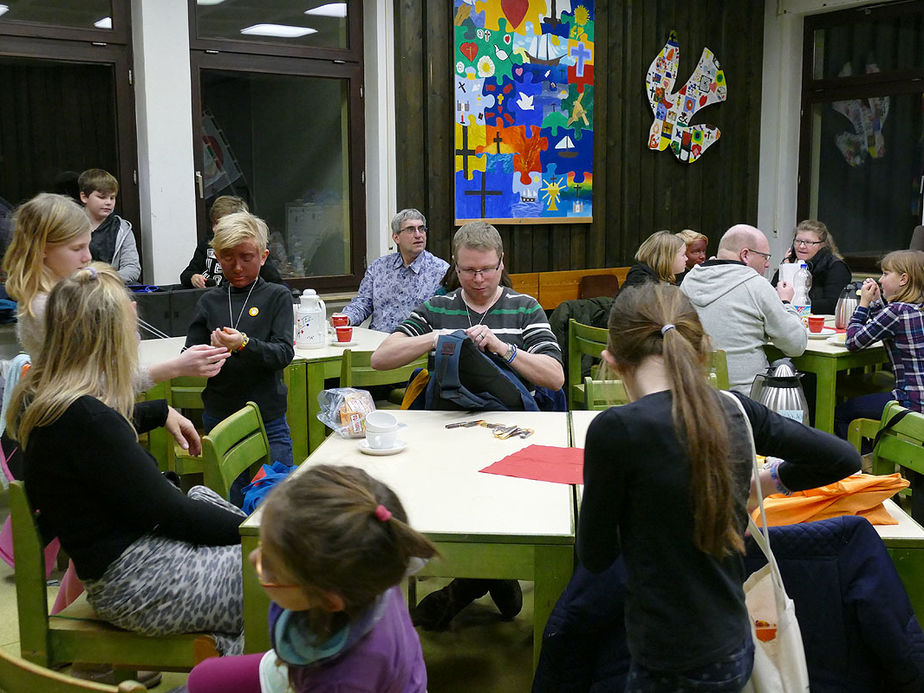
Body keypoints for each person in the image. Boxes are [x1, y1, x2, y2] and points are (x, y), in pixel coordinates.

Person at [578, 284, 860, 691]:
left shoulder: (615, 430)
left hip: (667, 654)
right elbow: (843, 458)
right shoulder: (734, 409)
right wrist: (768, 480)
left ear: (612, 360)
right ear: (700, 349)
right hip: (733, 641)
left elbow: (595, 555)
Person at [7, 265, 247, 654]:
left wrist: (158, 412)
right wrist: (259, 531)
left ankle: (228, 652)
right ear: (107, 342)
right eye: (130, 331)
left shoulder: (55, 402)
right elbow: (173, 514)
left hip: (125, 570)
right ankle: (237, 667)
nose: (136, 338)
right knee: (281, 574)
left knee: (218, 512)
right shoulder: (87, 420)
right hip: (138, 581)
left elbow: (100, 442)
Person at [371, 221, 563, 629]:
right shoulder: (438, 307)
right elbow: (381, 358)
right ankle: (491, 577)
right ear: (454, 266)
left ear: (501, 263)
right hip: (446, 438)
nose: (478, 279)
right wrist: (437, 336)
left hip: (513, 436)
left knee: (505, 504)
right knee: (449, 504)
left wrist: (502, 347)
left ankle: (466, 587)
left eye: (488, 270)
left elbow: (554, 376)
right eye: (468, 270)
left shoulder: (525, 306)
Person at [185, 464, 437, 693]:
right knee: (201, 678)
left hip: (337, 675)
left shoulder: (337, 682)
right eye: (264, 543)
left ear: (328, 601)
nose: (253, 559)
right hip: (316, 661)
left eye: (268, 567)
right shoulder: (369, 558)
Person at [2, 193, 229, 388]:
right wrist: (175, 366)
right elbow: (96, 385)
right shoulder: (50, 307)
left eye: (87, 246)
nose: (87, 257)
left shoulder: (58, 298)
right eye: (77, 248)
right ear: (43, 248)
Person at [185, 211, 296, 492]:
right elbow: (188, 357)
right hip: (220, 416)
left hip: (267, 417)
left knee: (273, 497)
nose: (236, 267)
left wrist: (244, 344)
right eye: (227, 258)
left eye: (246, 257)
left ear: (263, 256)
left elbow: (283, 354)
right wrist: (208, 351)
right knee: (231, 498)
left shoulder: (277, 296)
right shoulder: (209, 301)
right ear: (217, 257)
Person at [835, 250, 924, 519]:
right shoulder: (913, 309)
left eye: (886, 274)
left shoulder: (897, 311)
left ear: (904, 279)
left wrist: (863, 304)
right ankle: (873, 456)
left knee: (842, 413)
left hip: (910, 404)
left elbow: (854, 342)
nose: (881, 279)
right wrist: (875, 305)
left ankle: (856, 471)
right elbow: (885, 321)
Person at [681, 224, 806, 393]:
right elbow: (796, 345)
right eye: (765, 257)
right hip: (747, 401)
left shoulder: (688, 282)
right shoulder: (756, 285)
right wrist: (786, 303)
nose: (768, 264)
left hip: (695, 396)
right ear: (745, 254)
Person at [341, 209, 448, 333]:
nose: (418, 235)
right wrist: (345, 318)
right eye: (410, 229)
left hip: (416, 346)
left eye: (422, 229)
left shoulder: (441, 270)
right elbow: (363, 303)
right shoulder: (379, 267)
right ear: (396, 237)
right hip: (377, 343)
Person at [180, 195, 285, 289]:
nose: (215, 229)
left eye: (221, 224)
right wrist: (193, 277)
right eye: (214, 223)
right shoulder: (206, 244)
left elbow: (277, 283)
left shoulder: (252, 248)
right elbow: (186, 274)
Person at [771, 220, 852, 314]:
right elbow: (770, 294)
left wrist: (791, 305)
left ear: (822, 245)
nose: (801, 246)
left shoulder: (836, 267)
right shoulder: (789, 262)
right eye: (798, 241)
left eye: (808, 242)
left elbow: (833, 304)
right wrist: (786, 270)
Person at [77, 168, 141, 283]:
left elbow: (132, 268)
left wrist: (102, 280)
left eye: (112, 197)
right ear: (84, 197)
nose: (108, 202)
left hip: (110, 289)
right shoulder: (69, 224)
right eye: (102, 197)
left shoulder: (123, 228)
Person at [623, 230, 687, 288]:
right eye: (683, 255)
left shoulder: (673, 275)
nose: (686, 258)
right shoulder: (639, 277)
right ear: (667, 257)